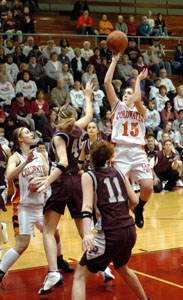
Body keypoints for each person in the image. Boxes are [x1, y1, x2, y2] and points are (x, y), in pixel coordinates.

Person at [30, 82, 93, 295]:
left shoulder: (59, 136)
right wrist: (86, 96)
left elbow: (63, 161)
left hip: (63, 181)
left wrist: (48, 180)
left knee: (48, 230)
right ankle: (100, 265)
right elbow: (90, 115)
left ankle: (53, 272)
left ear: (58, 116)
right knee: (83, 230)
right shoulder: (78, 127)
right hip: (77, 182)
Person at [72, 140, 151, 300]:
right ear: (109, 156)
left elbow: (86, 207)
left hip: (110, 234)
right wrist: (119, 211)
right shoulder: (119, 172)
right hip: (129, 231)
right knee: (122, 268)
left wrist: (87, 233)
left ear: (91, 158)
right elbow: (135, 201)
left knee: (79, 277)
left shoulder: (89, 175)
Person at [0, 127, 73, 285]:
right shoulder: (15, 157)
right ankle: (1, 271)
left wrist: (42, 181)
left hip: (42, 205)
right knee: (22, 245)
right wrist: (25, 163)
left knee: (55, 234)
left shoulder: (41, 155)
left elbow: (48, 175)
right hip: (23, 206)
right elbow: (9, 176)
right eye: (26, 132)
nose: (31, 134)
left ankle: (59, 261)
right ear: (20, 139)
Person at [104, 53, 153, 228]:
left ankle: (139, 208)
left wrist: (138, 79)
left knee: (148, 186)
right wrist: (114, 61)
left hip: (138, 151)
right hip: (120, 152)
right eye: (124, 93)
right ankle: (118, 219)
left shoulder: (142, 110)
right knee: (121, 191)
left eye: (129, 93)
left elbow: (138, 99)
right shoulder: (117, 106)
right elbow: (107, 83)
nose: (126, 95)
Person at [0, 142, 10, 260]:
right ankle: (2, 227)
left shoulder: (5, 149)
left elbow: (8, 168)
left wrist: (6, 179)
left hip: (1, 185)